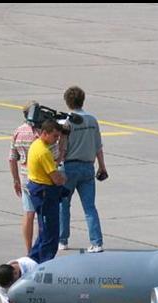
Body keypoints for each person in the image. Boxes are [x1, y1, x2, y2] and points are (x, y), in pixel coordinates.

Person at [8, 101, 63, 254]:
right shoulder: (43, 135)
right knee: (44, 219)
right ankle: (42, 249)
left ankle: (28, 249)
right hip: (42, 181)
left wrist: (16, 180)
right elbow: (55, 159)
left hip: (26, 180)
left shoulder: (18, 132)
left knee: (28, 214)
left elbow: (12, 158)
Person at [59, 85, 108, 253]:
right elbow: (98, 147)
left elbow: (63, 146)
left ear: (67, 102)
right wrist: (102, 166)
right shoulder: (92, 120)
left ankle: (62, 239)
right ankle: (97, 242)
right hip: (88, 167)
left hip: (70, 167)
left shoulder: (67, 122)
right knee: (89, 207)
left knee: (64, 205)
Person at [26, 119, 67, 263]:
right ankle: (44, 262)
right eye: (55, 136)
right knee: (50, 233)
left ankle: (34, 258)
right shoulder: (43, 152)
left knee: (44, 231)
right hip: (45, 193)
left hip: (38, 190)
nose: (56, 140)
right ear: (44, 133)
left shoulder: (36, 144)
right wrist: (62, 179)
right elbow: (56, 178)